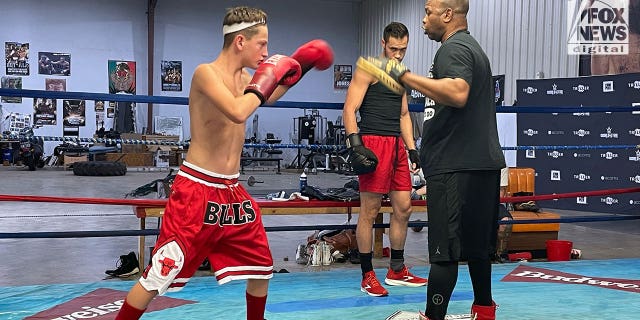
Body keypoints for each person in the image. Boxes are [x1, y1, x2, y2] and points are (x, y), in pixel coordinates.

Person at [114, 6, 333, 320]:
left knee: (261, 267)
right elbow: (238, 110)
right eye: (262, 45)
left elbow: (269, 95)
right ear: (240, 42)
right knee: (160, 273)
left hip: (231, 193)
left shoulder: (246, 78)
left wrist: (303, 63)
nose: (267, 53)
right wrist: (269, 76)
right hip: (197, 190)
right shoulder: (206, 74)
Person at [355, 1, 506, 318]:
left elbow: (458, 92)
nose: (424, 20)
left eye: (429, 12)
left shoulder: (453, 48)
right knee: (478, 250)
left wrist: (404, 75)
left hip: (455, 166)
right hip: (479, 163)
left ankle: (432, 315)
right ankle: (484, 308)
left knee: (444, 251)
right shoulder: (472, 48)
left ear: (448, 15)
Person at [343, 22, 427, 298]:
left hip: (397, 146)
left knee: (404, 207)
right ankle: (367, 275)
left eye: (402, 49)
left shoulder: (402, 74)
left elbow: (404, 114)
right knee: (370, 210)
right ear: (383, 43)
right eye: (393, 49)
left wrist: (412, 148)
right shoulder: (368, 68)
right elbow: (350, 108)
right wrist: (355, 143)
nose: (398, 55)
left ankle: (397, 269)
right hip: (374, 142)